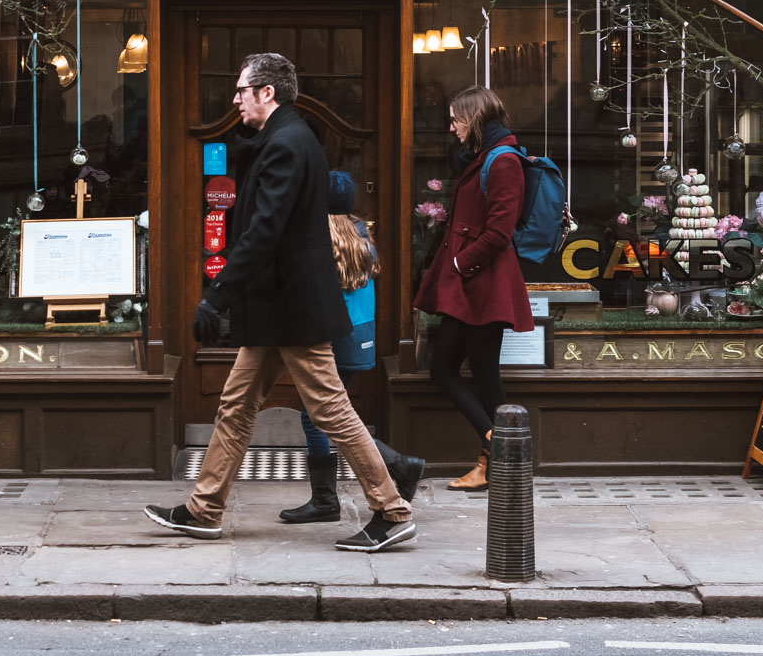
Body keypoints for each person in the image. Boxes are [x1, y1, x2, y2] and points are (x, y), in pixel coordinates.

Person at [145, 53, 416, 552]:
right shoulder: (285, 139)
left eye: (241, 90)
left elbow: (263, 230)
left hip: (293, 308)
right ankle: (204, 509)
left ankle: (392, 509)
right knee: (236, 406)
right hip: (278, 308)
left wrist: (217, 295)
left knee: (331, 409)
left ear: (266, 92)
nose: (234, 99)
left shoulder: (287, 144)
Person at [279, 170, 425, 524]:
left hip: (333, 336)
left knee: (322, 416)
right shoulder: (360, 234)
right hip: (359, 334)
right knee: (330, 413)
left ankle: (384, 471)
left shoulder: (321, 238)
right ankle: (345, 489)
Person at [413, 86, 533, 491]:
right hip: (472, 284)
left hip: (482, 283)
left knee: (448, 369)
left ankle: (500, 447)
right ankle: (494, 461)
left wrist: (460, 264)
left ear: (475, 118)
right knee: (479, 373)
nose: (451, 128)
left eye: (455, 120)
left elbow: (499, 231)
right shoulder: (481, 157)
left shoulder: (503, 161)